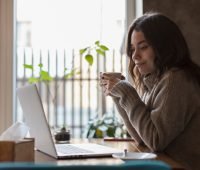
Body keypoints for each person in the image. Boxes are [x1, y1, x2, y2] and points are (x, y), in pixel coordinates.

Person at [100, 12, 200, 170]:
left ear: (164, 46)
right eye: (132, 49)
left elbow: (155, 141)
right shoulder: (155, 81)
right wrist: (118, 94)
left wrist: (127, 93)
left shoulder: (176, 79)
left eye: (143, 47)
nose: (135, 56)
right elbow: (142, 138)